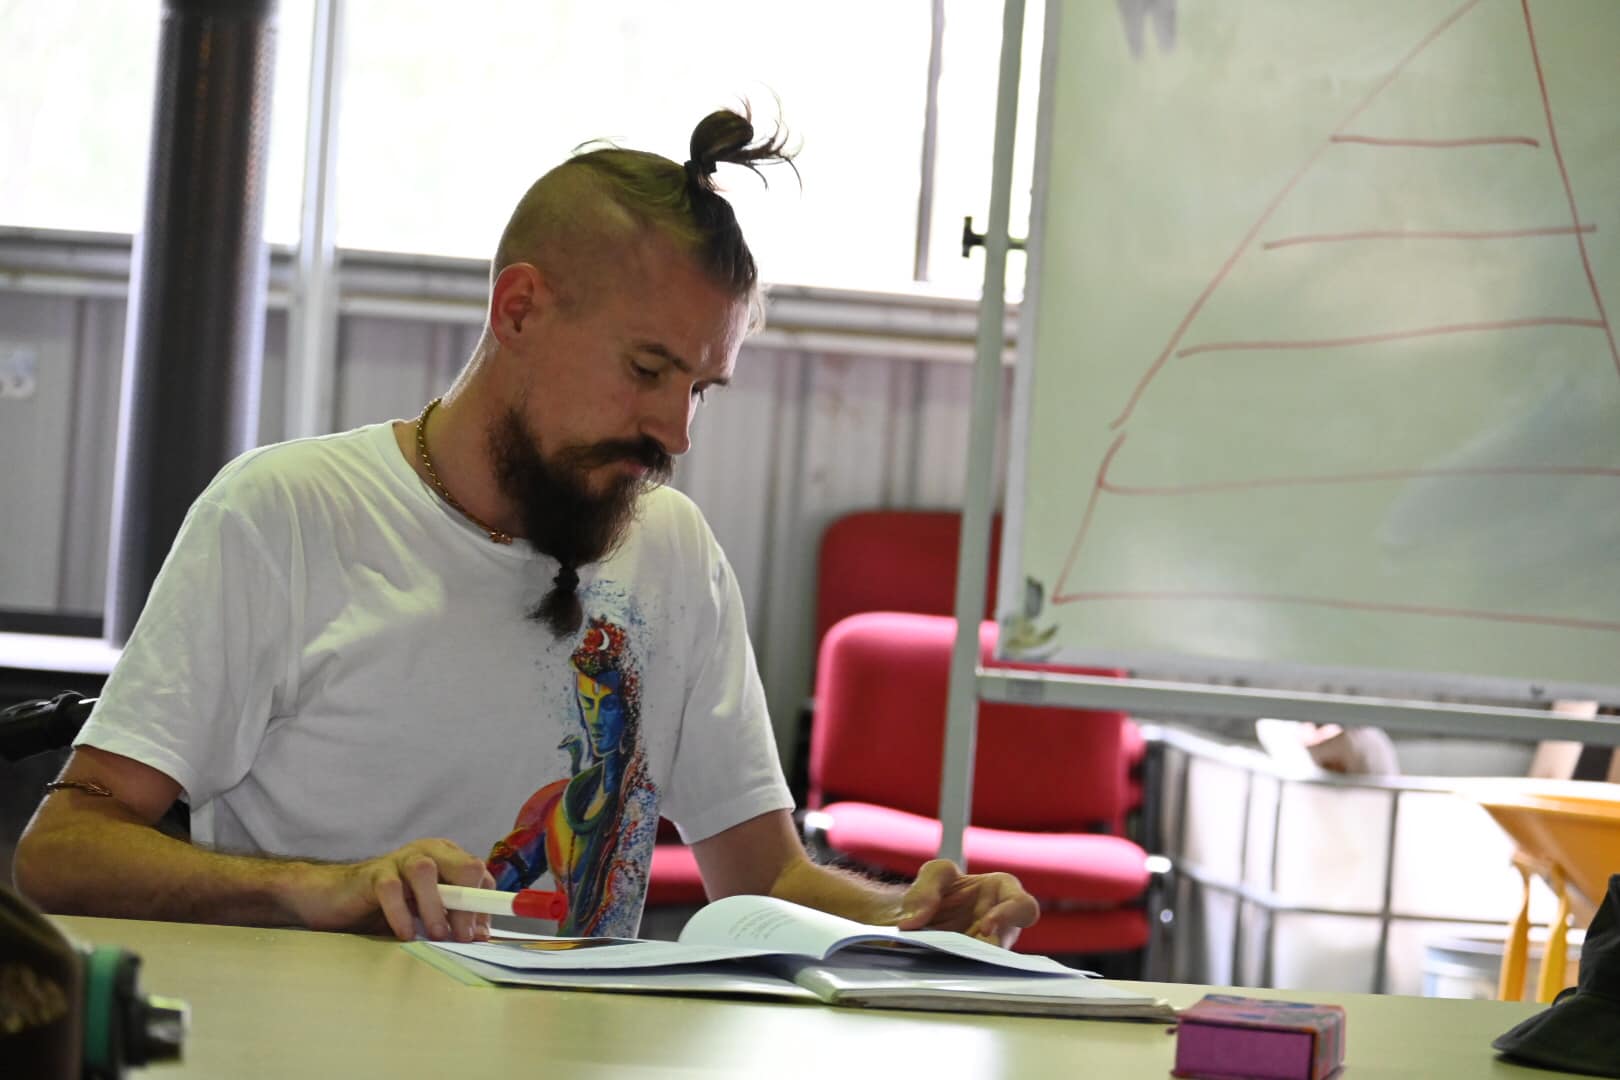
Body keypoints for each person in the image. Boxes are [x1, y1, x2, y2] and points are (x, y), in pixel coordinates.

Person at [15, 107, 1038, 949]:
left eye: (701, 387)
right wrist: (319, 888)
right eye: (646, 370)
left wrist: (909, 919)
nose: (675, 430)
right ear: (518, 311)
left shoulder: (672, 553)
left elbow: (765, 876)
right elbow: (62, 851)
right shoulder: (287, 515)